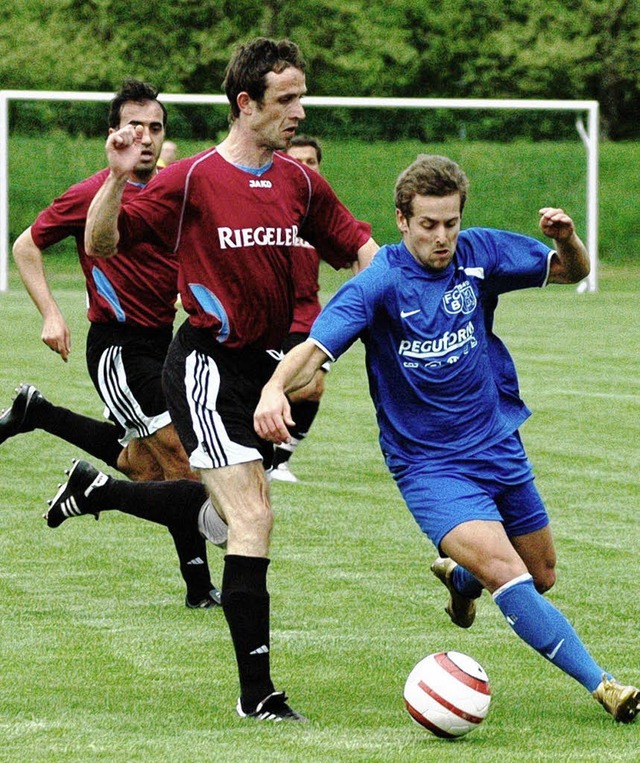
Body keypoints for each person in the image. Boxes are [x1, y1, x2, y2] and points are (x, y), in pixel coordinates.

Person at [254, 154, 640, 723]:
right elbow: (314, 350)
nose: (442, 237)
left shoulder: (479, 254)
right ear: (401, 220)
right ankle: (605, 685)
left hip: (497, 443)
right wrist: (273, 389)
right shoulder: (380, 283)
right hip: (429, 468)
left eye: (450, 223)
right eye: (428, 224)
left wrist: (571, 238)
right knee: (509, 577)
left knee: (541, 576)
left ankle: (461, 577)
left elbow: (571, 271)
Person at [82, 38, 378, 721]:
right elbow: (102, 243)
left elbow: (362, 254)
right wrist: (117, 178)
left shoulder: (299, 182)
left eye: (301, 97)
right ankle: (259, 696)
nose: (299, 112)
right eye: (287, 100)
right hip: (209, 367)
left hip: (272, 374)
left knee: (225, 517)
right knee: (253, 516)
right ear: (246, 104)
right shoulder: (190, 180)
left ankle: (107, 492)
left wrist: (402, 293)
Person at [8, 79, 221, 609]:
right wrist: (52, 314)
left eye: (155, 128)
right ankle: (199, 587)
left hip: (163, 343)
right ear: (114, 134)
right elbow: (25, 246)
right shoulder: (92, 193)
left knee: (143, 469)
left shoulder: (177, 188)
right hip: (117, 349)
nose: (145, 138)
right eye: (135, 127)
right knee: (180, 461)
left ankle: (41, 416)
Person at [269, 135, 326, 483]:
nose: (305, 168)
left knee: (312, 386)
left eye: (311, 162)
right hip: (273, 316)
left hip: (309, 314)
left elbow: (352, 251)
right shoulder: (268, 205)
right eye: (297, 161)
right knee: (297, 385)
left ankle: (279, 460)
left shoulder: (322, 212)